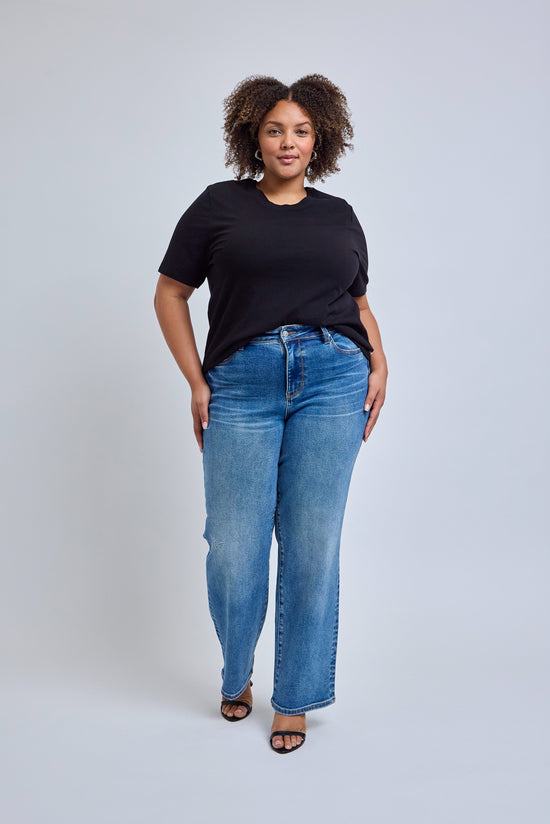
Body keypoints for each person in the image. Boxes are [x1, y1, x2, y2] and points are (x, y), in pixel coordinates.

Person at [154, 74, 388, 754]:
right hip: (243, 383)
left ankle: (296, 697)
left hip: (334, 378)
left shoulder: (339, 215)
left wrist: (381, 362)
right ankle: (236, 673)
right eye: (276, 130)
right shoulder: (218, 206)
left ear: (321, 140)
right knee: (234, 548)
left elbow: (360, 302)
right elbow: (171, 293)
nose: (289, 141)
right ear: (254, 137)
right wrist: (197, 383)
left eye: (302, 131)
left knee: (313, 546)